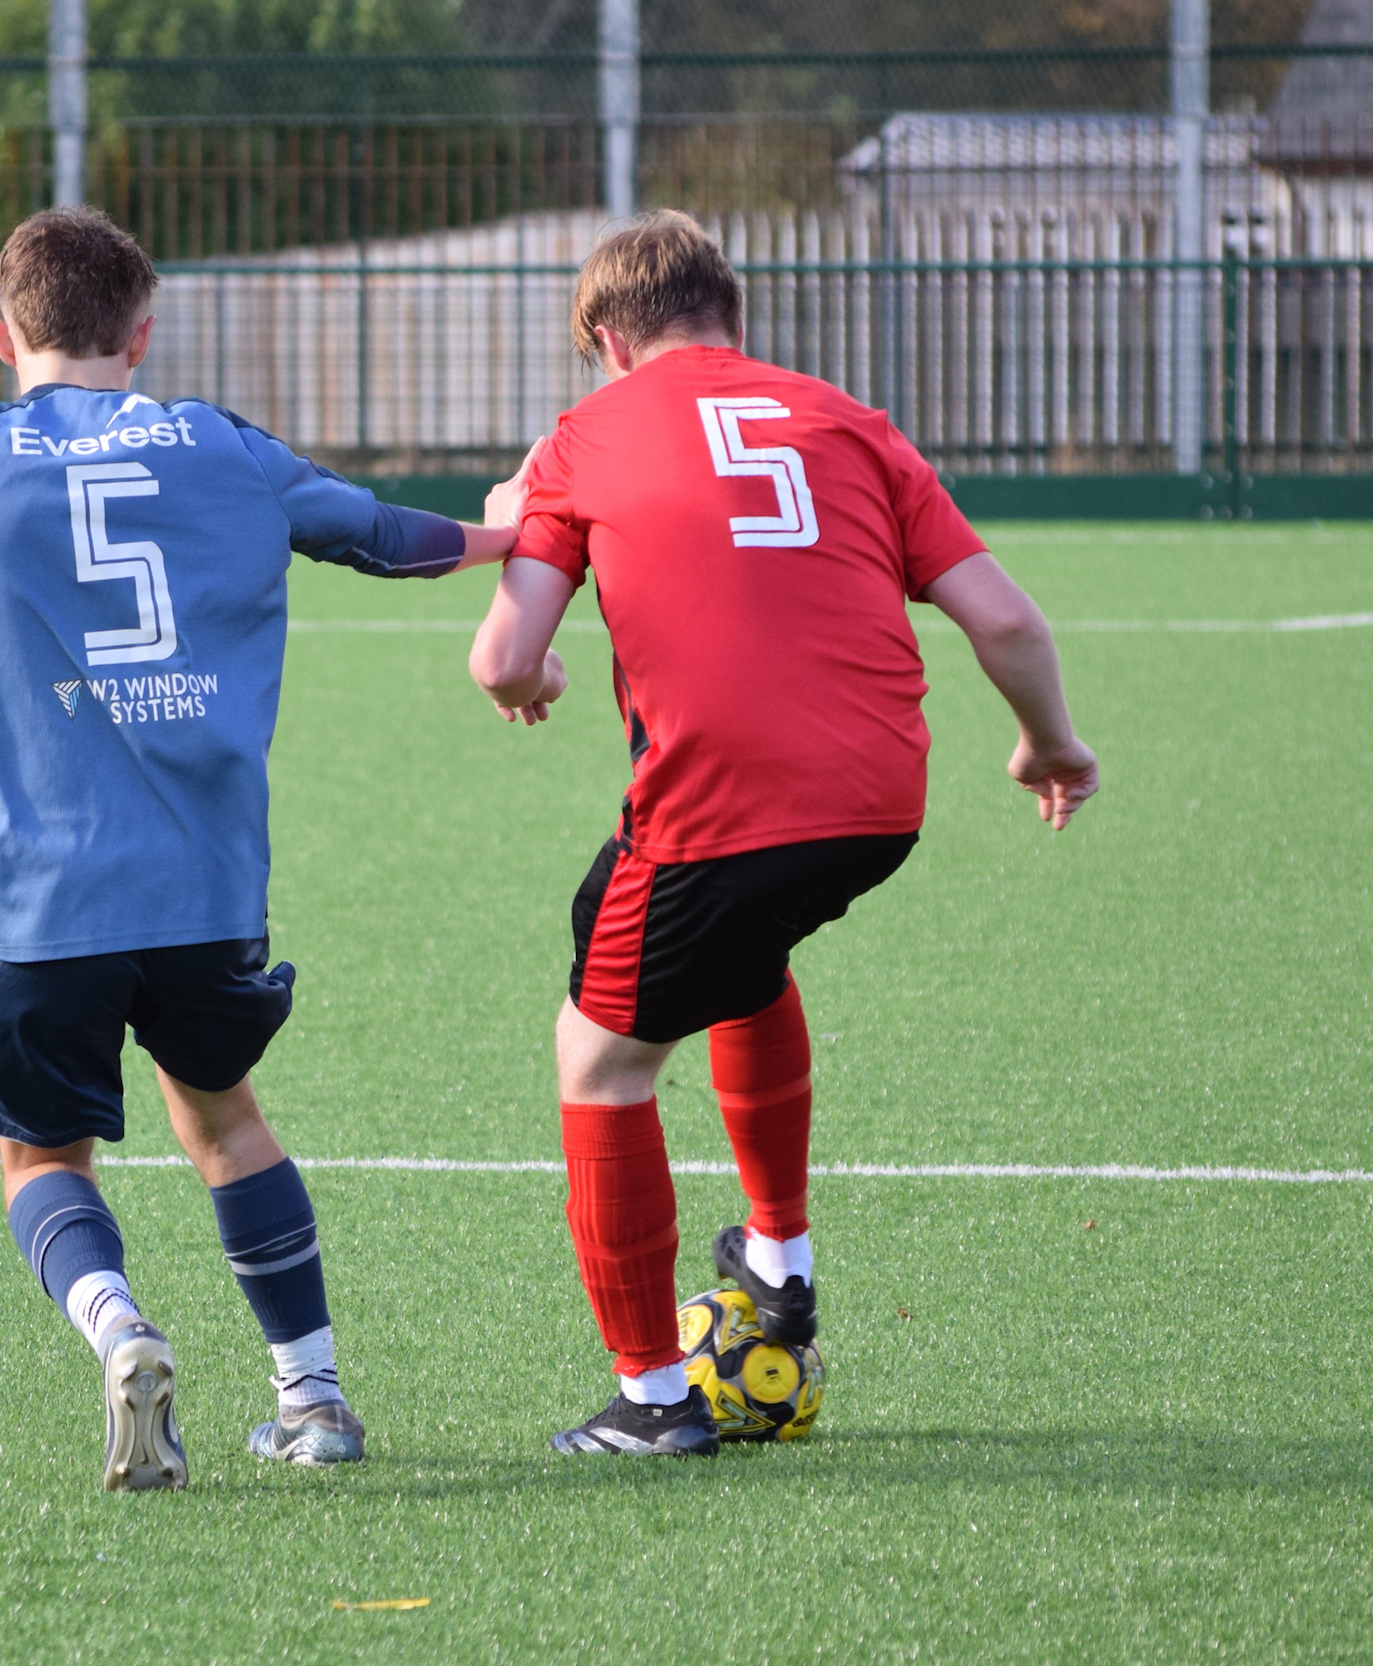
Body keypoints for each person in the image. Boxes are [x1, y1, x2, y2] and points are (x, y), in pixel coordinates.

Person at [0, 207, 517, 1490]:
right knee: (225, 1121)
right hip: (206, 889)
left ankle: (119, 1327)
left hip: (34, 901)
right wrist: (516, 531)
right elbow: (391, 540)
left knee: (40, 1157)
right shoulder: (221, 446)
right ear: (141, 335)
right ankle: (314, 1400)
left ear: (2, 335)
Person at [468, 210, 1100, 1456]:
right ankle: (777, 1256)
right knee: (743, 961)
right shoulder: (846, 417)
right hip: (878, 801)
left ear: (604, 338)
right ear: (732, 316)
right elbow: (1009, 623)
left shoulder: (579, 438)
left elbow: (503, 652)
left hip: (719, 809)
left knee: (598, 1060)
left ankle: (650, 1401)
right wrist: (1048, 744)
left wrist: (519, 667)